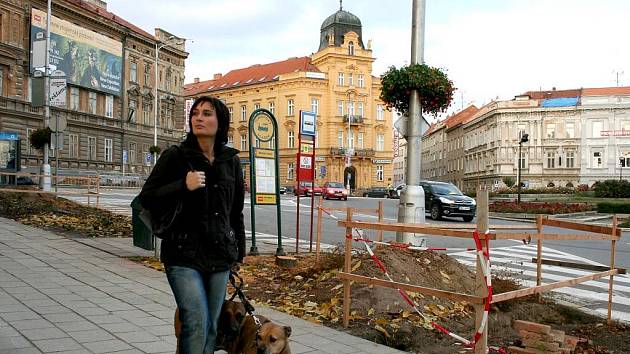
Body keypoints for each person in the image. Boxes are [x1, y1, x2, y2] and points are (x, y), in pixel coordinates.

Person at [139, 96, 246, 353]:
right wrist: (182, 186)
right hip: (183, 253)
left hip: (219, 255)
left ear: (220, 122)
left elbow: (236, 211)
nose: (199, 118)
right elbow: (146, 198)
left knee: (211, 327)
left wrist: (239, 252)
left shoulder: (230, 161)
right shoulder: (175, 157)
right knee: (195, 322)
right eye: (195, 113)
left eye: (207, 113)